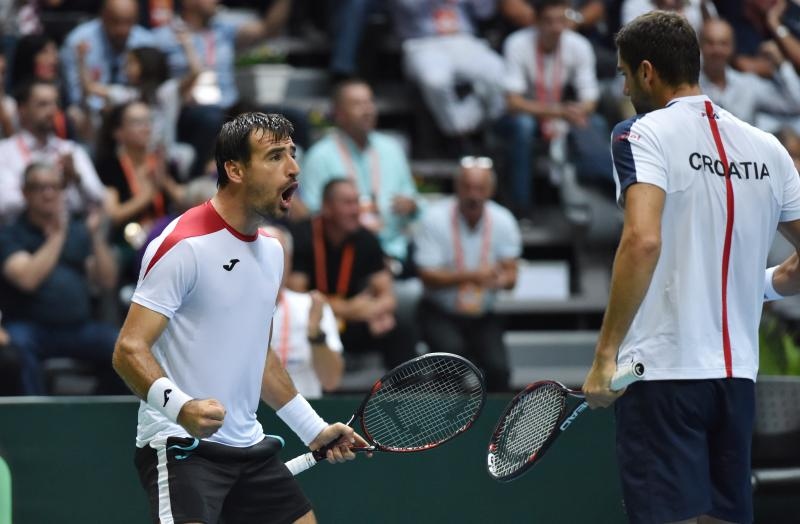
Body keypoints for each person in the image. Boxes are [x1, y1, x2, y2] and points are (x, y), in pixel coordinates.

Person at [581, 12, 800, 524]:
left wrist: (604, 355)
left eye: (624, 73)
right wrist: (759, 288)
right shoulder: (769, 148)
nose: (625, 84)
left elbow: (642, 240)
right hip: (737, 380)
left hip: (663, 376)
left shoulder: (639, 134)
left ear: (647, 72)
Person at [112, 112, 365, 524]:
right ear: (235, 169)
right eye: (275, 156)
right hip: (181, 446)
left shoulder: (272, 252)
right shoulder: (183, 245)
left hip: (250, 447)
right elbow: (127, 349)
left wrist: (313, 429)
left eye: (293, 154)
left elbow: (258, 356)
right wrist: (182, 409)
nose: (294, 168)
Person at [0, 162, 120, 395]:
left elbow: (107, 281)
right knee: (16, 350)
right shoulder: (11, 234)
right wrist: (57, 236)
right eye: (40, 187)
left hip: (78, 328)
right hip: (30, 328)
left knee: (122, 348)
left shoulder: (78, 230)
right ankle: (36, 421)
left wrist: (95, 237)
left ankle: (99, 418)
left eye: (55, 187)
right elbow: (27, 279)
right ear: (25, 192)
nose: (48, 194)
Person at [413, 156, 521, 392]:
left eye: (480, 188)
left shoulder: (503, 220)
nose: (473, 195)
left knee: (499, 369)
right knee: (451, 363)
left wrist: (499, 280)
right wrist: (471, 276)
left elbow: (511, 277)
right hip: (440, 311)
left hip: (482, 313)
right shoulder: (434, 218)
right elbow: (427, 276)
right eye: (468, 187)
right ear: (457, 188)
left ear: (490, 190)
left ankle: (497, 425)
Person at [288, 178, 416, 371]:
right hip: (314, 321)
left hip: (354, 320)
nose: (356, 210)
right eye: (348, 203)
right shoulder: (303, 235)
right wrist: (346, 308)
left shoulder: (366, 239)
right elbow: (296, 297)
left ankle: (402, 395)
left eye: (357, 202)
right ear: (327, 207)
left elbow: (388, 297)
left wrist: (375, 311)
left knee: (399, 329)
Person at [298, 78, 421, 275]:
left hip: (394, 250)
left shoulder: (392, 149)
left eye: (370, 102)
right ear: (338, 113)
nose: (368, 110)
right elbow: (313, 214)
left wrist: (411, 205)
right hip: (345, 256)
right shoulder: (319, 156)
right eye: (358, 104)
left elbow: (417, 203)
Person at [500, 0, 612, 217]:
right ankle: (522, 209)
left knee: (595, 123)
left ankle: (598, 203)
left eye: (561, 20)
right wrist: (559, 112)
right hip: (525, 115)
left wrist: (578, 111)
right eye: (549, 22)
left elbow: (590, 97)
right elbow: (513, 102)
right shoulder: (517, 43)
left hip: (560, 113)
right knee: (522, 127)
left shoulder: (578, 45)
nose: (556, 28)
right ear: (536, 22)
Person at [0, 80, 107, 225]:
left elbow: (100, 197)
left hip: (69, 231)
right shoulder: (5, 151)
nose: (52, 111)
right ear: (22, 109)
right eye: (43, 104)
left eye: (54, 104)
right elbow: (5, 203)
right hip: (21, 236)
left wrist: (75, 177)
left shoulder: (69, 149)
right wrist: (57, 188)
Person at [262, 225, 344, 399]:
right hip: (250, 416)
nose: (270, 261)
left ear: (290, 261)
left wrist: (315, 333)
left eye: (278, 253)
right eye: (261, 253)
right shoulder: (230, 308)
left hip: (306, 414)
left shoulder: (310, 306)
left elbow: (331, 381)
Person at [699, 17, 800, 130]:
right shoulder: (690, 86)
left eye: (723, 43)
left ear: (732, 47)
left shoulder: (747, 85)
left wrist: (782, 64)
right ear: (700, 46)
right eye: (710, 43)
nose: (717, 50)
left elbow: (795, 103)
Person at [60, 0, 155, 113]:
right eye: (116, 21)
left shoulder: (147, 43)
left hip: (133, 114)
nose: (122, 30)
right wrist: (81, 60)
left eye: (128, 21)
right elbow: (78, 95)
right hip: (91, 113)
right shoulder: (78, 41)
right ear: (103, 16)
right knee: (74, 113)